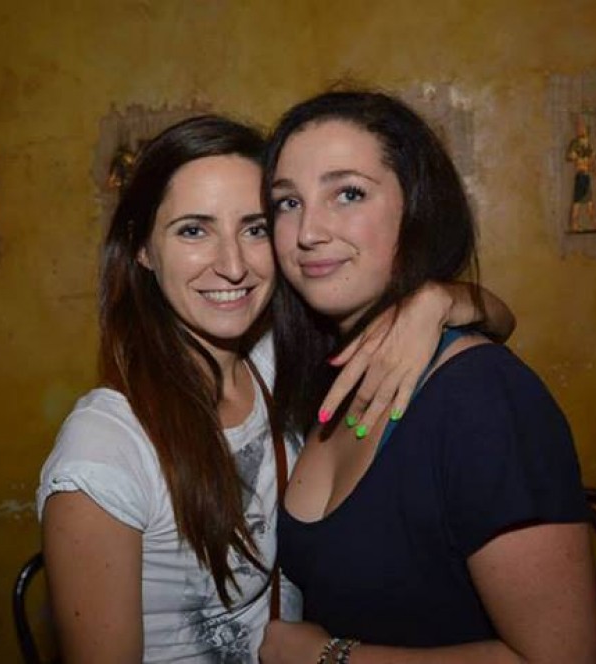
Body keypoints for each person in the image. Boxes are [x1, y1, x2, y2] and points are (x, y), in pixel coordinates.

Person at [37, 115, 516, 663]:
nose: (232, 265)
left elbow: (501, 319)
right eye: (193, 230)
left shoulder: (279, 361)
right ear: (141, 248)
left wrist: (438, 302)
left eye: (255, 228)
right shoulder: (105, 448)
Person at [260, 91, 596, 664]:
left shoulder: (482, 397)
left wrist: (330, 658)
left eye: (348, 193)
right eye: (288, 202)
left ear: (416, 208)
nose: (308, 231)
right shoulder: (323, 369)